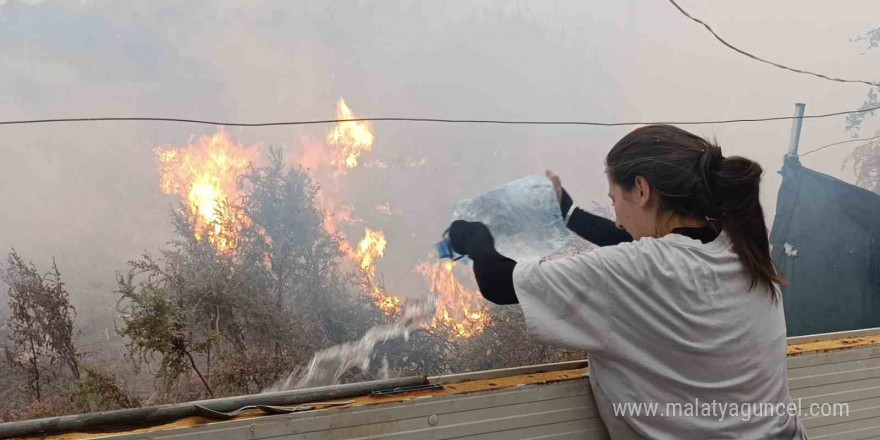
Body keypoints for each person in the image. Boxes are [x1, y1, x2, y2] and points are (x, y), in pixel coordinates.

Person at [448, 125, 807, 439]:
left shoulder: (637, 272)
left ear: (641, 190)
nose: (618, 220)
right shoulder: (742, 249)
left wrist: (476, 232)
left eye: (615, 200)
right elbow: (641, 250)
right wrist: (568, 213)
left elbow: (498, 282)